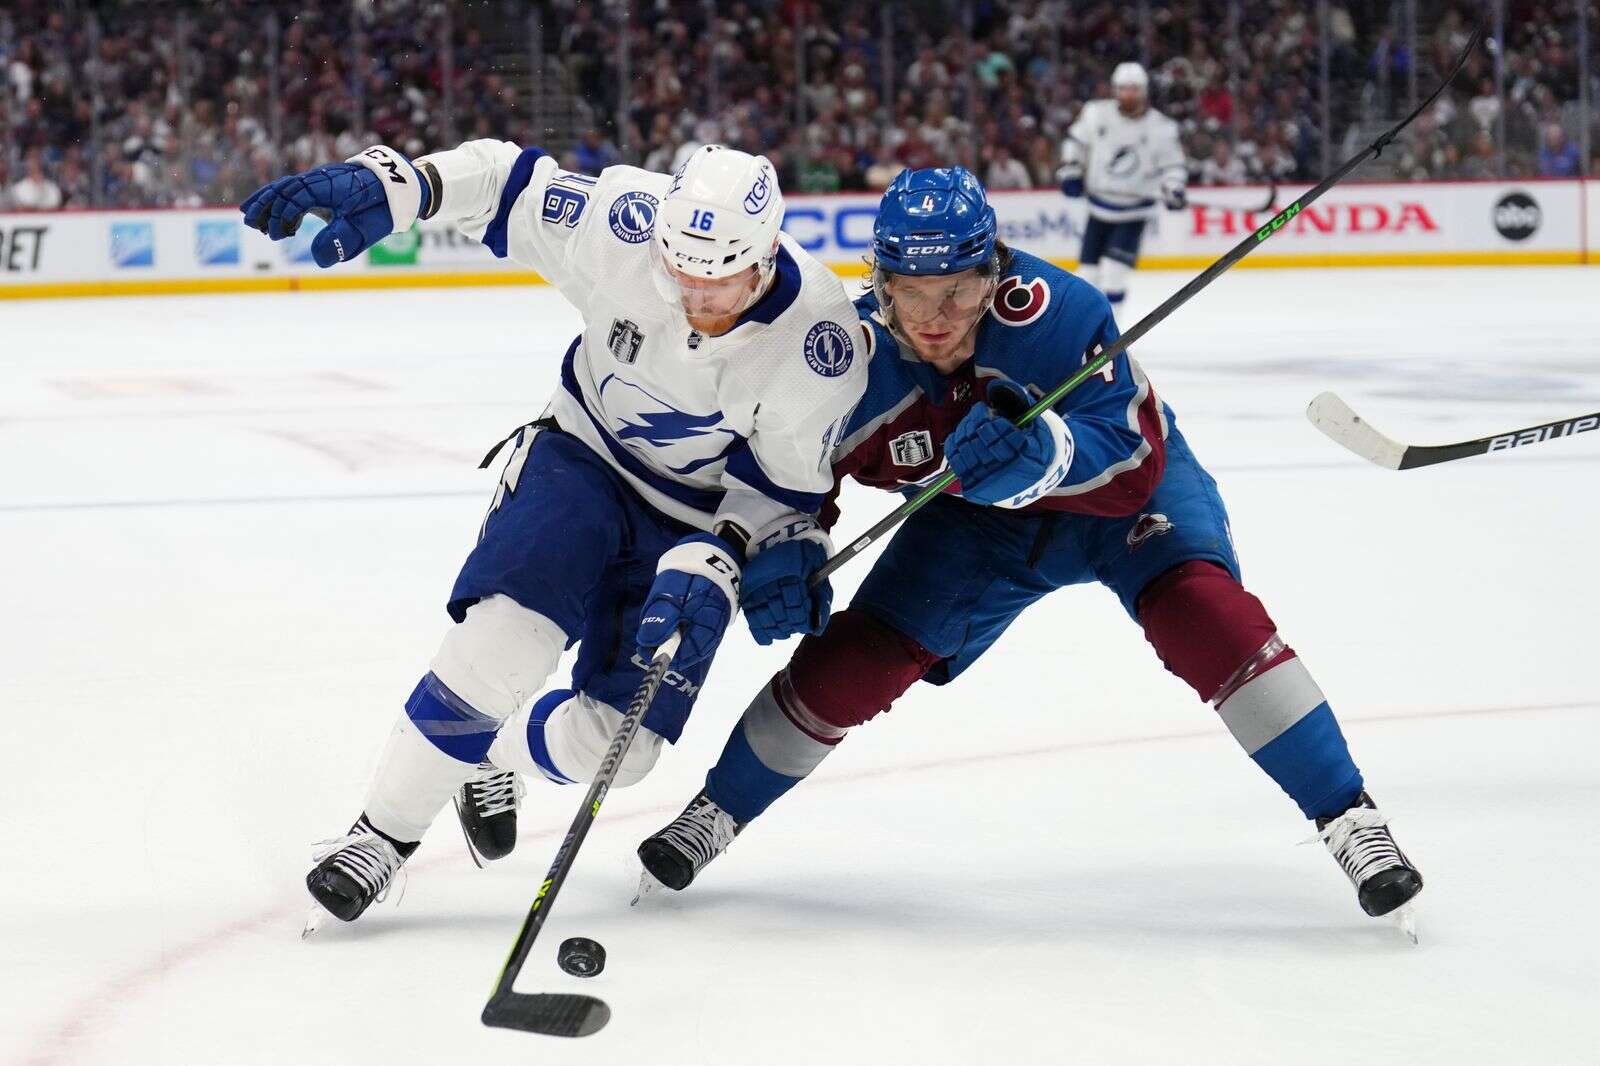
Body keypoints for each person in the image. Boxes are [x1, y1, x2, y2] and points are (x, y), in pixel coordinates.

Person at [634, 167, 1425, 928]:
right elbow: (788, 473)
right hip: (978, 522)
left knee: (1206, 616)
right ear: (879, 283)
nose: (937, 316)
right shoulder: (849, 363)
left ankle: (1349, 817)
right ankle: (716, 812)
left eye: (961, 291)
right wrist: (786, 541)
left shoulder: (1058, 313)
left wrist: (1044, 454)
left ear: (994, 272)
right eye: (912, 292)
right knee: (854, 660)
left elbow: (1131, 465)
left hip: (1123, 501)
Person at [240, 139, 867, 925]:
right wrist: (399, 184)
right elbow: (504, 182)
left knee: (621, 750)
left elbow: (779, 492)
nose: (697, 301)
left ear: (768, 253)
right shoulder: (626, 223)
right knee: (501, 644)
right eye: (683, 276)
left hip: (695, 521)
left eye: (722, 285)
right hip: (583, 457)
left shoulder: (818, 347)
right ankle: (381, 839)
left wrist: (725, 560)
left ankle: (491, 753)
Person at [1059, 62, 1187, 313]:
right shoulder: (1096, 114)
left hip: (1134, 213)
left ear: (1144, 91)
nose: (1129, 95)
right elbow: (1076, 143)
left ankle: (1112, 338)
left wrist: (1174, 188)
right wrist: (1071, 170)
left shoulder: (1161, 127)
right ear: (1115, 90)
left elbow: (1173, 166)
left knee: (1115, 274)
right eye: (1124, 89)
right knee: (1087, 276)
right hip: (1099, 208)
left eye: (1134, 89)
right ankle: (1085, 334)